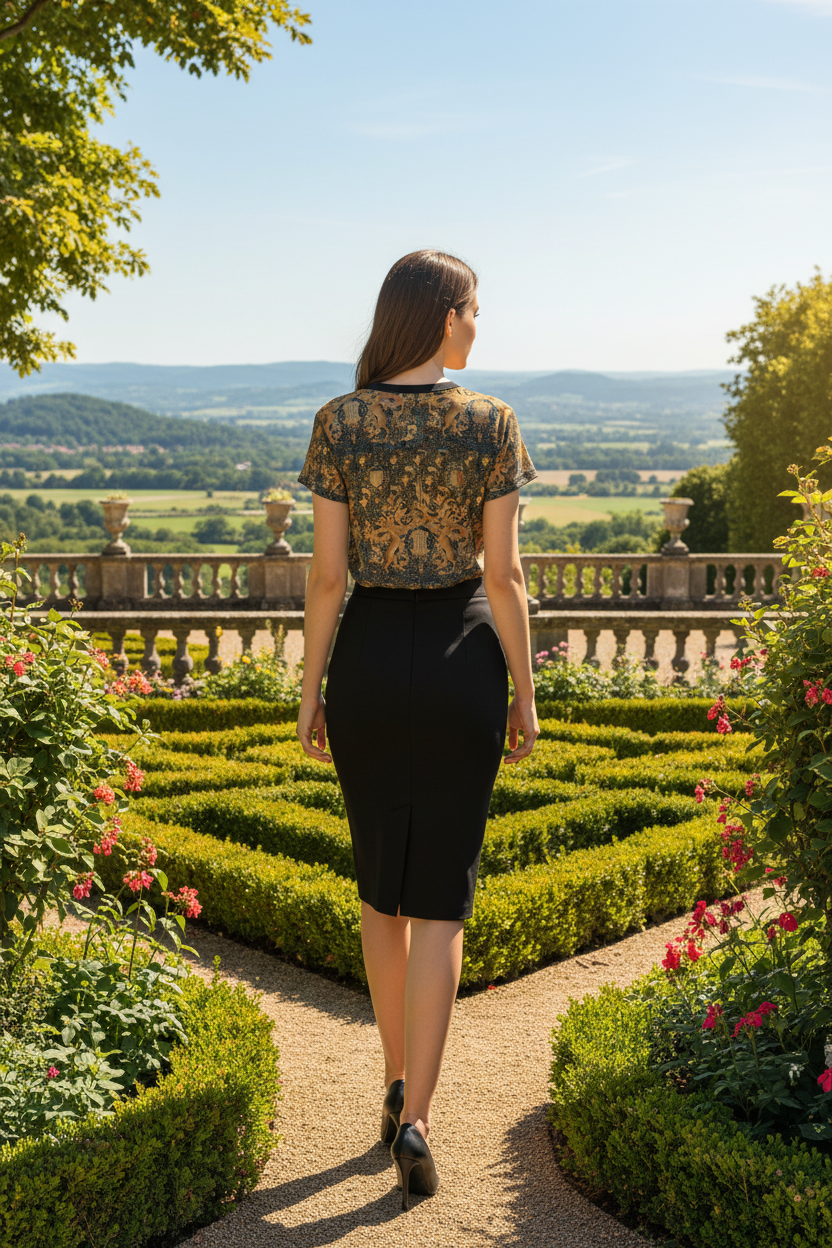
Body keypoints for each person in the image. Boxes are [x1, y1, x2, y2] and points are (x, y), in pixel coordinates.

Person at [296, 249, 539, 1212]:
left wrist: (311, 688)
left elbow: (324, 579)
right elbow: (506, 577)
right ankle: (418, 1119)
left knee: (379, 888)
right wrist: (525, 688)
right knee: (441, 901)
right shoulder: (491, 422)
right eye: (474, 311)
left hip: (366, 659)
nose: (479, 326)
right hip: (459, 659)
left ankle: (394, 1078)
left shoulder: (339, 422)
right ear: (444, 317)